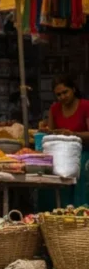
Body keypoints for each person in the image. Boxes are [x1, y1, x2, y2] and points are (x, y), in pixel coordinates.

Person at [46, 75, 89, 206]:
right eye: (58, 95)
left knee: (81, 188)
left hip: (84, 154)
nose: (62, 97)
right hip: (61, 157)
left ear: (74, 89)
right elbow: (50, 132)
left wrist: (73, 135)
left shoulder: (85, 106)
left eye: (65, 92)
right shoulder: (54, 109)